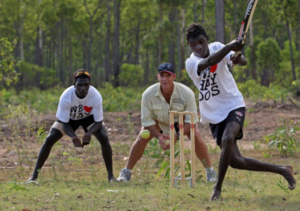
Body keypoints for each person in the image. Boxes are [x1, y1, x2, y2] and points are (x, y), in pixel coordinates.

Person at [184, 23, 296, 200]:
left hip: (233, 104)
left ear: (207, 39)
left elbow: (241, 61)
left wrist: (237, 58)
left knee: (228, 138)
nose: (198, 47)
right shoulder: (191, 62)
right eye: (193, 44)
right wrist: (230, 46)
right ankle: (283, 169)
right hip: (213, 114)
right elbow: (208, 62)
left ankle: (217, 189)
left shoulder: (217, 47)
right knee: (235, 161)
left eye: (201, 42)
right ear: (189, 45)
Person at [117, 63, 217, 182]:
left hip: (179, 126)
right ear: (158, 77)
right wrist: (159, 136)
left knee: (195, 135)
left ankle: (210, 172)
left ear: (174, 77)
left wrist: (176, 135)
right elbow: (147, 122)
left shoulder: (187, 93)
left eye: (168, 76)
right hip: (157, 125)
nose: (165, 79)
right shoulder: (148, 94)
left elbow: (190, 122)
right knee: (141, 137)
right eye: (162, 76)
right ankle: (126, 172)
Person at [26, 69, 116, 183]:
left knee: (104, 137)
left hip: (89, 118)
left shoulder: (96, 96)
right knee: (49, 139)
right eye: (79, 85)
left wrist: (89, 133)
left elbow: (98, 122)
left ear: (89, 86)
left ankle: (111, 177)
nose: (83, 88)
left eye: (86, 85)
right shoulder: (66, 97)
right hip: (69, 120)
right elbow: (64, 122)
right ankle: (33, 177)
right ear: (74, 85)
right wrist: (73, 136)